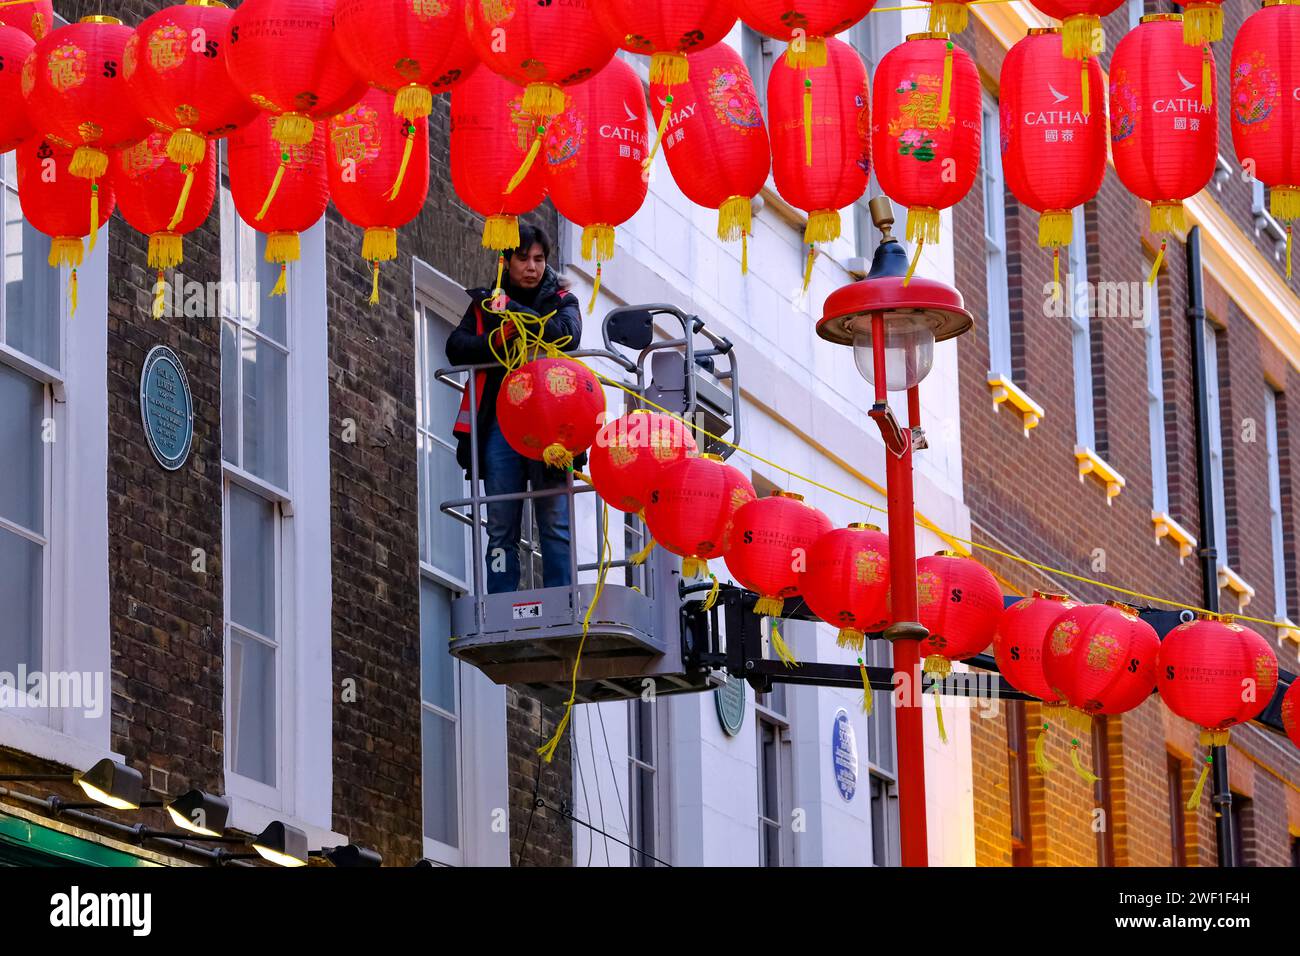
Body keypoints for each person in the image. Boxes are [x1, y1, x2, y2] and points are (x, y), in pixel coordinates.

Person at [447, 225, 583, 594]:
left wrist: (515, 311)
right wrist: (497, 340)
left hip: (552, 429)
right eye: (523, 258)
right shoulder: (483, 304)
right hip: (500, 424)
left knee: (555, 521)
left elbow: (567, 335)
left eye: (539, 259)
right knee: (500, 523)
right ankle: (500, 598)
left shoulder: (563, 299)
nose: (532, 266)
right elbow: (456, 348)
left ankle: (562, 598)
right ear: (505, 262)